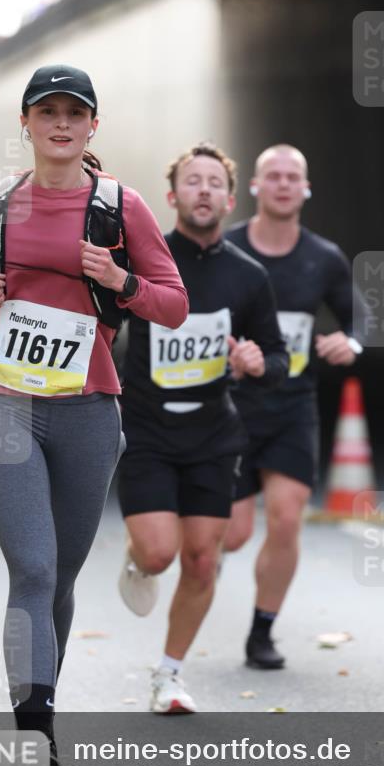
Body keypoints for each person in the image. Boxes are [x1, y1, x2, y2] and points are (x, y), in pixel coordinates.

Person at [0, 65, 188, 766]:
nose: (59, 123)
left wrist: (119, 284)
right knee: (35, 570)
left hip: (87, 407)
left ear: (91, 127)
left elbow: (172, 305)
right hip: (1, 398)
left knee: (63, 578)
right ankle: (37, 738)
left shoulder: (121, 207)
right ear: (25, 122)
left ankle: (37, 698)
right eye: (45, 111)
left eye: (73, 112)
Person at [116, 141, 288, 713]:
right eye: (193, 181)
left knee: (202, 559)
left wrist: (257, 363)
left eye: (215, 182)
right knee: (162, 554)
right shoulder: (146, 260)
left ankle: (169, 675)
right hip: (146, 430)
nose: (205, 190)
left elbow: (277, 358)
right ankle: (140, 551)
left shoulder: (248, 276)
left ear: (231, 199)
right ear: (172, 196)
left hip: (214, 435)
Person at [224, 144, 361, 669]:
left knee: (285, 520)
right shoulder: (226, 249)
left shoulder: (323, 257)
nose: (283, 184)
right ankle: (200, 568)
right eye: (272, 176)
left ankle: (262, 633)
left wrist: (350, 343)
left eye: (293, 177)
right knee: (231, 534)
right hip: (231, 408)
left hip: (291, 407)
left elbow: (358, 319)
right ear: (255, 187)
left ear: (305, 189)